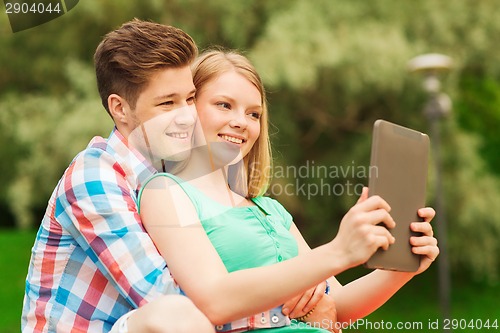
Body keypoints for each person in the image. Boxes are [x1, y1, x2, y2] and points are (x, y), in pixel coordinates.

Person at [138, 49, 440, 332]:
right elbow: (215, 301)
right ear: (188, 109)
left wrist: (402, 270)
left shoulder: (270, 210)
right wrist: (337, 251)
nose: (241, 122)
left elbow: (341, 306)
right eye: (224, 105)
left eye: (254, 114)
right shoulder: (165, 191)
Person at [21, 19, 215, 333]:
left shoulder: (177, 170)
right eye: (167, 103)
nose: (187, 116)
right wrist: (277, 304)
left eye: (190, 99)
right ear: (120, 109)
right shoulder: (94, 177)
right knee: (172, 314)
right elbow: (163, 294)